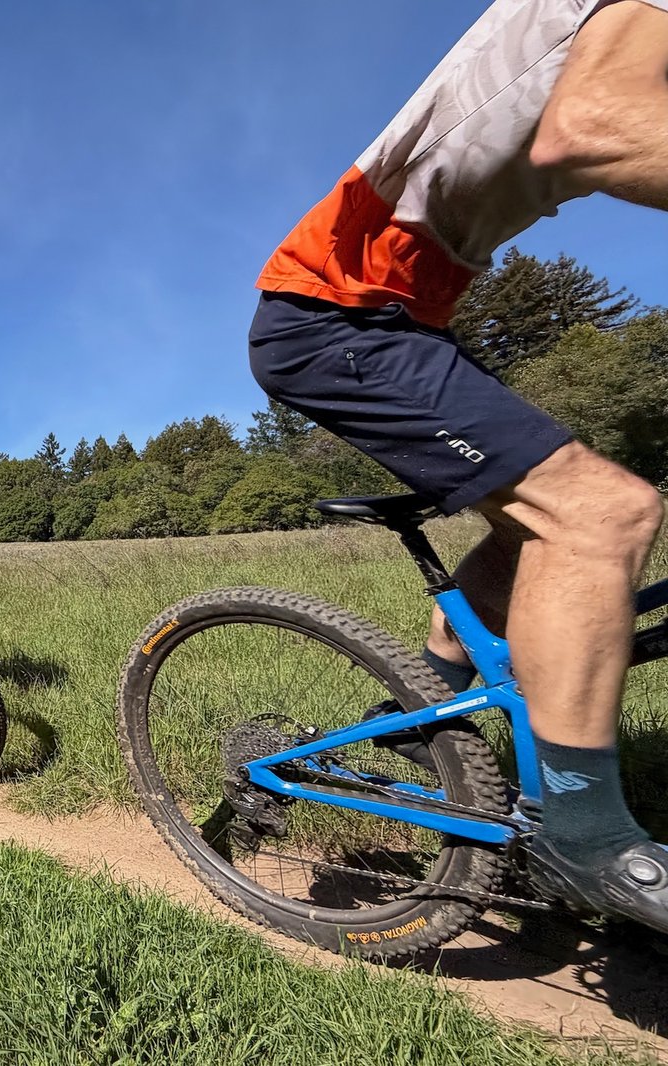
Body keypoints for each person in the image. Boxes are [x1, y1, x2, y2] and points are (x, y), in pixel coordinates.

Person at [248, 0, 668, 930]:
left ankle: (431, 709)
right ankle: (585, 833)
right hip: (334, 318)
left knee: (540, 530)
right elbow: (589, 132)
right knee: (602, 513)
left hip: (393, 322)